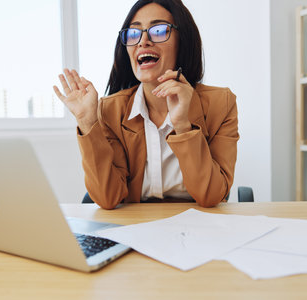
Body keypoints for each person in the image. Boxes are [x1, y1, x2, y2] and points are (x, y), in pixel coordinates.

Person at [53, 0, 239, 209]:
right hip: (136, 229)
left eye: (158, 30)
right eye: (134, 34)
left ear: (183, 40)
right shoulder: (110, 110)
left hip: (200, 229)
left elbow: (211, 196)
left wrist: (183, 127)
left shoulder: (221, 104)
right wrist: (87, 123)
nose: (143, 41)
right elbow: (108, 197)